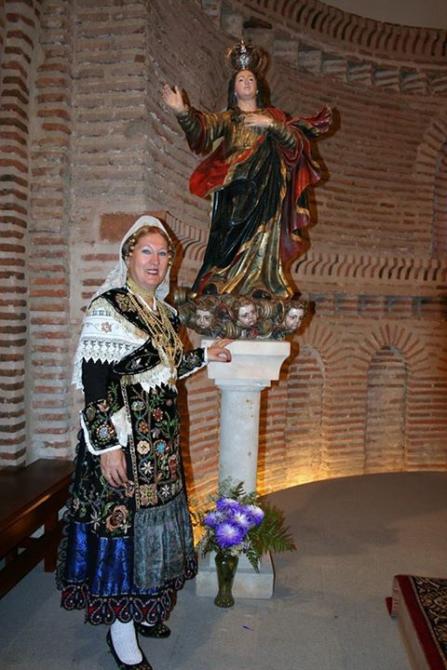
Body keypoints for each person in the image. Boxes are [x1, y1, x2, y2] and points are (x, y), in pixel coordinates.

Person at [56, 215, 231, 670]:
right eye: (146, 251)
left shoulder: (165, 313)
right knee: (127, 531)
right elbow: (94, 384)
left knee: (156, 526)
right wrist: (107, 447)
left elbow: (167, 367)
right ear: (128, 256)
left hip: (162, 445)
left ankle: (145, 606)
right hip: (124, 445)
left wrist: (205, 354)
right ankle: (121, 627)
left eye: (163, 253)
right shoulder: (109, 307)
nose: (155, 261)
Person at [162, 40, 332, 300]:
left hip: (268, 187)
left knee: (265, 233)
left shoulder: (274, 116)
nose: (246, 82)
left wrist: (271, 125)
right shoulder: (228, 118)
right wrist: (182, 111)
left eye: (251, 78)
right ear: (234, 89)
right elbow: (202, 129)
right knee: (227, 232)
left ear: (258, 87)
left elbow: (295, 144)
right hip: (234, 187)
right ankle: (220, 276)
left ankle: (261, 281)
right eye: (241, 79)